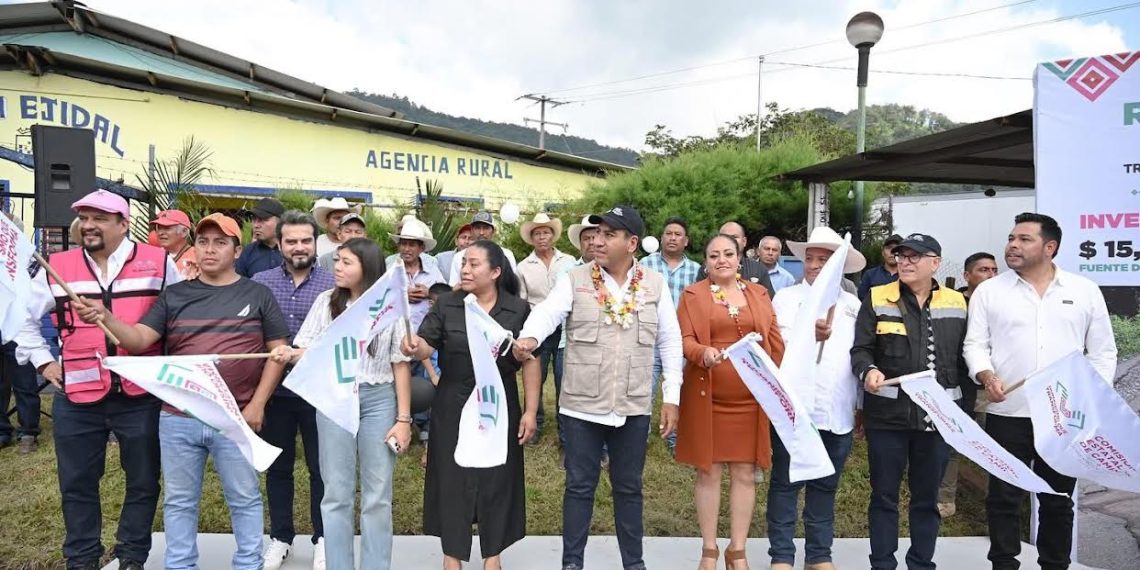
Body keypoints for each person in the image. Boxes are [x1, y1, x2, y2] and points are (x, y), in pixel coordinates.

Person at [76, 213, 291, 570]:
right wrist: (105, 317)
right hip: (178, 418)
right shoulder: (174, 295)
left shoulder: (258, 294)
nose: (210, 249)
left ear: (237, 250)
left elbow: (277, 353)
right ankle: (180, 566)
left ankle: (249, 564)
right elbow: (140, 339)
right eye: (203, 242)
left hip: (234, 416)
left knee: (244, 498)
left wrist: (257, 405)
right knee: (179, 501)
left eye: (220, 242)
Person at [14, 190, 181, 570]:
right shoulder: (58, 264)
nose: (89, 225)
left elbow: (178, 316)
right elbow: (23, 318)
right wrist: (43, 363)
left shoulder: (158, 262)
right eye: (84, 218)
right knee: (77, 482)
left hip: (142, 393)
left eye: (100, 219)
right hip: (77, 395)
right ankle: (82, 558)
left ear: (124, 225)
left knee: (142, 481)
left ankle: (132, 555)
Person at [514, 205, 683, 570]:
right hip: (581, 406)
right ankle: (572, 563)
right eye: (597, 234)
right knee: (579, 487)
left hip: (633, 404)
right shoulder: (575, 278)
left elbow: (670, 341)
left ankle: (633, 564)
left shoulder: (654, 284)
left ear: (631, 242)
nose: (599, 241)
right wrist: (529, 337)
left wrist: (672, 397)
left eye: (609, 235)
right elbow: (548, 313)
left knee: (629, 488)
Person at [964, 213, 1117, 570]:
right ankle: (1003, 563)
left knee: (1059, 499)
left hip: (1063, 418)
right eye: (1011, 237)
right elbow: (975, 345)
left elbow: (1102, 352)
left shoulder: (1084, 291)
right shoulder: (990, 291)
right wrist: (986, 376)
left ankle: (1055, 564)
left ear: (1050, 247)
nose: (1013, 245)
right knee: (1003, 497)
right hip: (1007, 413)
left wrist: (1089, 398)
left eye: (1024, 239)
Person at [270, 237, 414, 570]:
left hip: (378, 400)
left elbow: (400, 363)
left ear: (368, 268)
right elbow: (309, 350)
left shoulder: (389, 306)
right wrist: (291, 354)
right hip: (334, 399)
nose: (337, 267)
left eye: (346, 262)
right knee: (336, 493)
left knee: (377, 496)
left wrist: (403, 419)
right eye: (337, 260)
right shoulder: (326, 302)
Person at [401, 240, 541, 570]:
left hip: (499, 405)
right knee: (451, 479)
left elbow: (530, 362)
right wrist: (413, 346)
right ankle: (452, 558)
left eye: (474, 264)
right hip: (454, 401)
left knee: (497, 478)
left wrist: (532, 411)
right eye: (464, 262)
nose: (465, 269)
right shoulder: (448, 304)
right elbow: (425, 345)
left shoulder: (518, 310)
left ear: (495, 272)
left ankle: (493, 557)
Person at [851, 233, 968, 570]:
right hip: (888, 416)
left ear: (935, 263)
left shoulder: (956, 302)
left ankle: (921, 563)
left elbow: (964, 358)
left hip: (938, 417)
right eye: (902, 255)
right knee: (884, 496)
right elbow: (860, 349)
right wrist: (868, 370)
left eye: (915, 256)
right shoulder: (876, 297)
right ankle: (883, 564)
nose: (906, 261)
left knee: (926, 498)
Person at [675, 234, 784, 570]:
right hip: (707, 399)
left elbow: (776, 342)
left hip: (751, 402)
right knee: (708, 472)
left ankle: (737, 550)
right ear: (705, 261)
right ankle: (709, 550)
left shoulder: (759, 293)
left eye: (727, 254)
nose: (721, 259)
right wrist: (702, 354)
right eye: (713, 255)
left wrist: (771, 374)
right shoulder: (692, 295)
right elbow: (684, 340)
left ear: (740, 259)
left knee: (745, 474)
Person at [768, 227, 866, 570]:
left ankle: (819, 555)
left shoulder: (854, 306)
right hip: (794, 410)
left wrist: (860, 407)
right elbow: (776, 347)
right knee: (785, 483)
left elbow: (860, 357)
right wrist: (808, 333)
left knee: (825, 486)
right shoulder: (786, 298)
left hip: (837, 409)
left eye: (822, 260)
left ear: (838, 266)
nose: (812, 265)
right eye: (809, 258)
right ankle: (781, 555)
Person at [252, 211, 336, 570]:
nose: (299, 247)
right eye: (291, 241)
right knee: (278, 468)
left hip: (320, 392)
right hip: (276, 392)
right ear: (280, 243)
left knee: (322, 469)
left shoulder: (335, 283)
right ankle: (281, 537)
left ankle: (322, 538)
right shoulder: (260, 281)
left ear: (315, 242)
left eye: (306, 240)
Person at [936, 250, 998, 518]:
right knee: (953, 441)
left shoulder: (1005, 302)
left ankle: (995, 501)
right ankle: (945, 498)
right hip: (962, 384)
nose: (991, 275)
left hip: (998, 388)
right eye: (984, 270)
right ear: (967, 275)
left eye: (994, 270)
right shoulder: (956, 304)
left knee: (997, 446)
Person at [639, 217, 700, 452]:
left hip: (682, 342)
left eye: (677, 234)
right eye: (668, 233)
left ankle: (676, 439)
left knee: (681, 390)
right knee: (644, 391)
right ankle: (637, 437)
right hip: (649, 339)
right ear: (661, 238)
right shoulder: (645, 265)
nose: (672, 237)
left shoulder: (696, 271)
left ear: (686, 241)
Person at [516, 212, 575, 444]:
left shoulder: (569, 262)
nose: (542, 237)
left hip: (565, 328)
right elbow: (522, 300)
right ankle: (534, 424)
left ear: (553, 236)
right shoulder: (523, 267)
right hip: (537, 331)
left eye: (546, 232)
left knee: (564, 379)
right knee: (535, 379)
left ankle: (565, 432)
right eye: (537, 234)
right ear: (532, 238)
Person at [697, 221, 775, 297]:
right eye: (725, 237)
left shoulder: (758, 269)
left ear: (744, 241)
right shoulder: (708, 268)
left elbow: (767, 301)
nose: (730, 240)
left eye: (734, 237)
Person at [447, 211, 517, 286]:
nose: (481, 232)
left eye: (486, 228)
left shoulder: (506, 254)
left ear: (493, 231)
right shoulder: (459, 257)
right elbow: (454, 287)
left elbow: (512, 285)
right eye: (477, 228)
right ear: (471, 231)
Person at [236, 197, 286, 278]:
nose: (256, 225)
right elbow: (239, 287)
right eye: (254, 219)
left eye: (263, 219)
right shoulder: (247, 253)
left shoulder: (293, 251)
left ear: (280, 222)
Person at [151, 209, 199, 280]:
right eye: (159, 228)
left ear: (184, 232)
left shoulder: (197, 257)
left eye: (167, 228)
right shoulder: (155, 256)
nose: (160, 233)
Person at [857, 234, 903, 301]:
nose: (892, 252)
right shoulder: (870, 275)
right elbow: (861, 300)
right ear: (882, 252)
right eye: (889, 248)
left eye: (897, 249)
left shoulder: (909, 276)